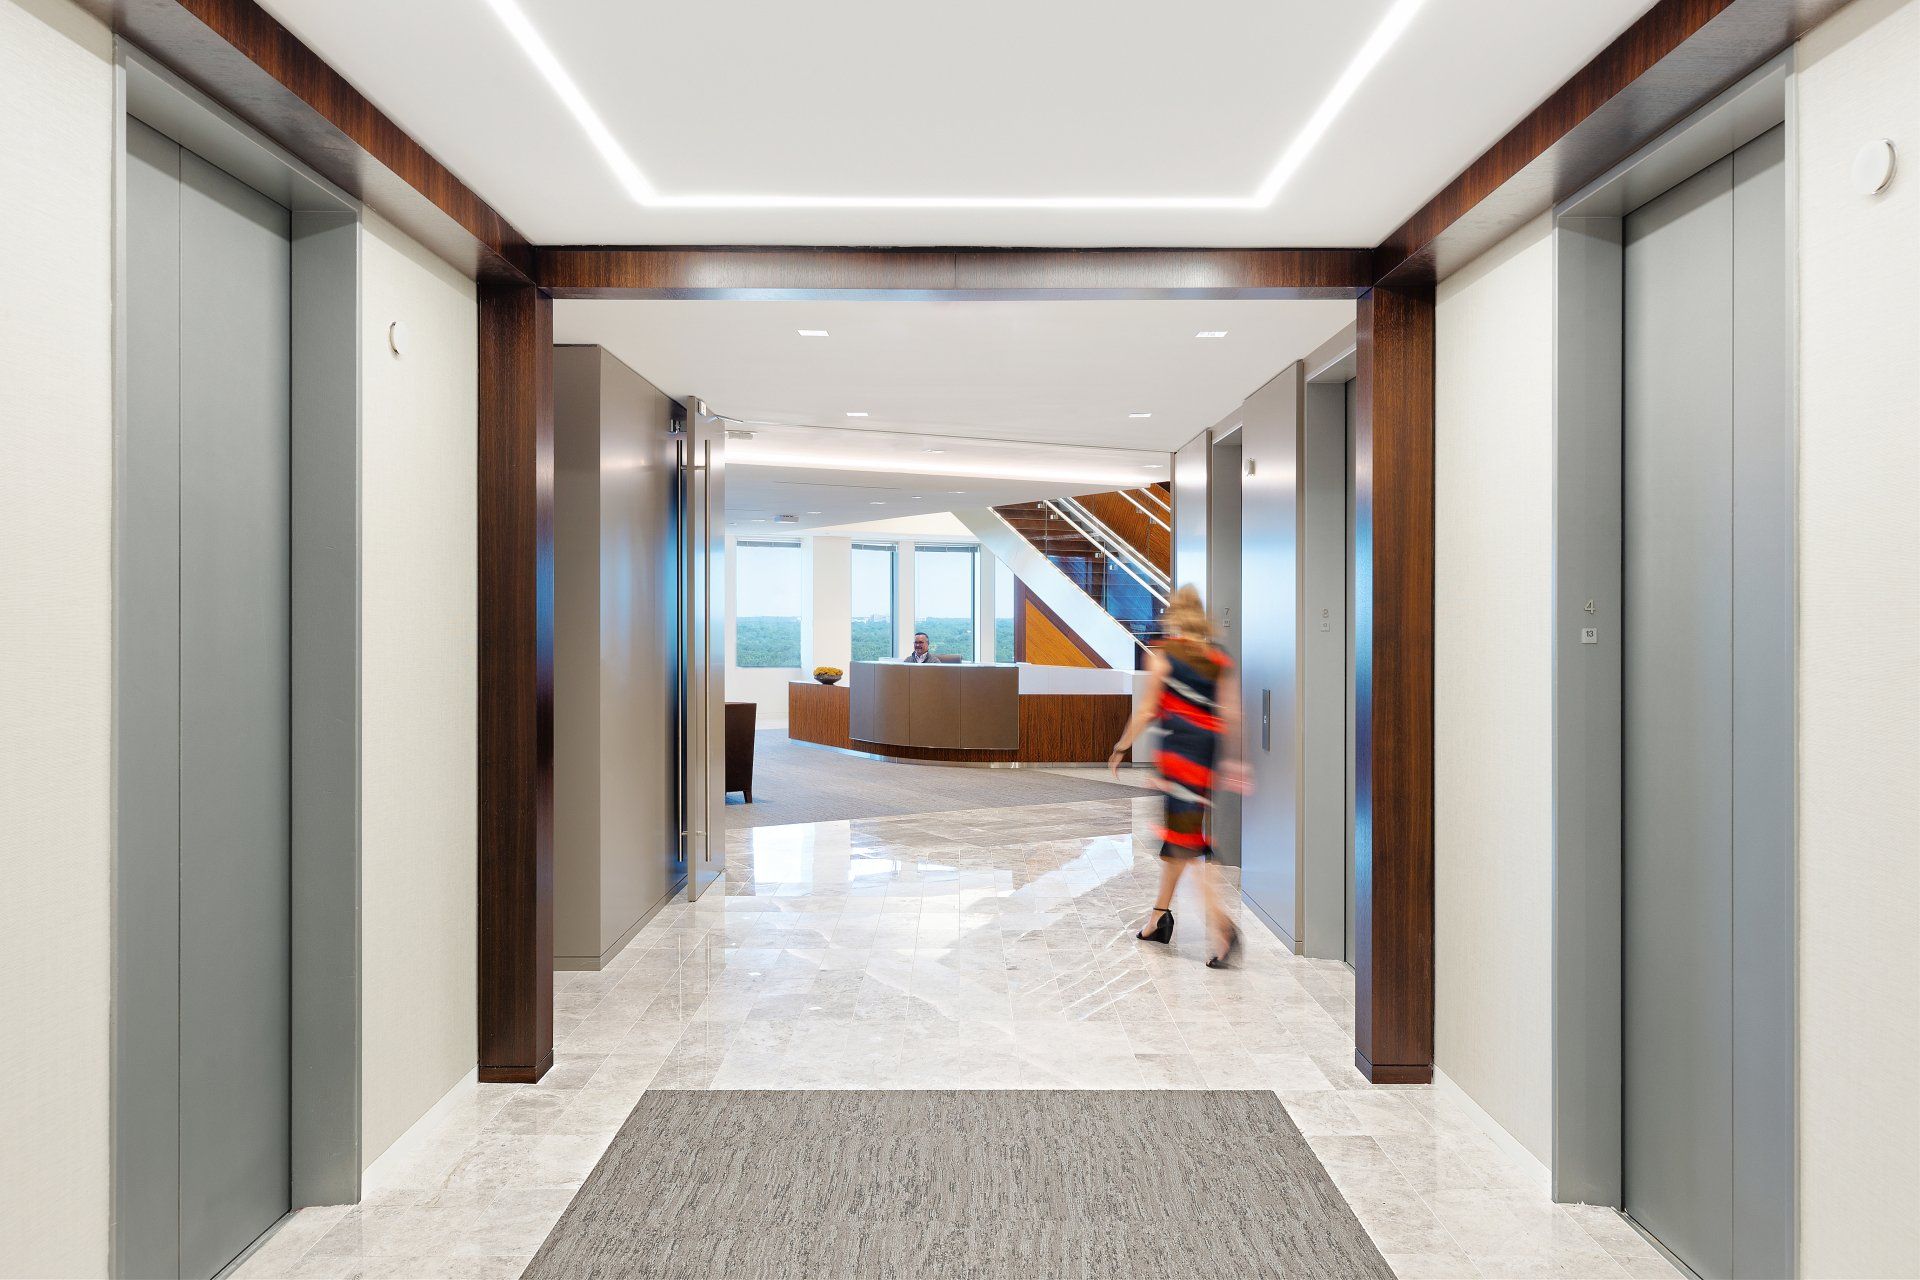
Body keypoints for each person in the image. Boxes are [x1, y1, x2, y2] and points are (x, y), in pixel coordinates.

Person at [1109, 584, 1249, 968]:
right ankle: (1158, 919)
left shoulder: (1165, 654)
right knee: (1179, 842)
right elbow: (1232, 714)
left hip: (1177, 762)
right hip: (1205, 761)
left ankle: (1223, 929)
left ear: (1174, 614)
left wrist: (1122, 747)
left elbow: (1148, 709)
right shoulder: (1217, 658)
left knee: (1188, 849)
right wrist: (1237, 763)